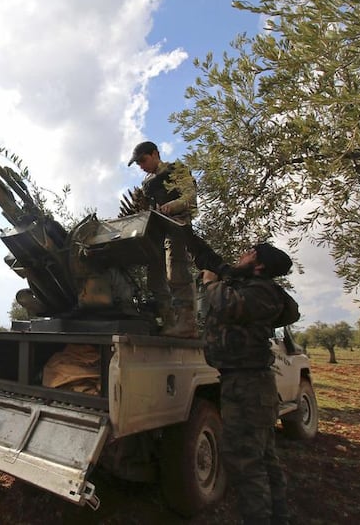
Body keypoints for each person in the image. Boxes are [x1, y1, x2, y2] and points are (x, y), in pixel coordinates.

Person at [184, 230, 299, 525]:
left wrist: (210, 284)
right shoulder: (247, 283)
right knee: (263, 458)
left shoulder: (264, 293)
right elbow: (211, 259)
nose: (243, 254)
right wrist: (185, 233)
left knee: (247, 463)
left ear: (259, 266)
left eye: (250, 253)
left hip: (249, 386)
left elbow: (225, 304)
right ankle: (279, 518)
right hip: (246, 384)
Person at [127, 141, 198, 337]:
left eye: (143, 160)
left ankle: (187, 323)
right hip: (155, 232)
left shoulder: (177, 170)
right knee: (155, 279)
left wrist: (171, 206)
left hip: (177, 226)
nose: (141, 166)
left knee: (177, 273)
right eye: (138, 163)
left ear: (155, 153)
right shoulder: (146, 183)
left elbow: (190, 197)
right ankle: (169, 322)